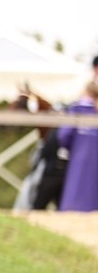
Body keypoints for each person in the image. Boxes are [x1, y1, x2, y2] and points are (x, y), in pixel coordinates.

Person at [57, 78, 98, 212]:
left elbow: (64, 135)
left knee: (75, 194)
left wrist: (69, 149)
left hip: (79, 157)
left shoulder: (76, 109)